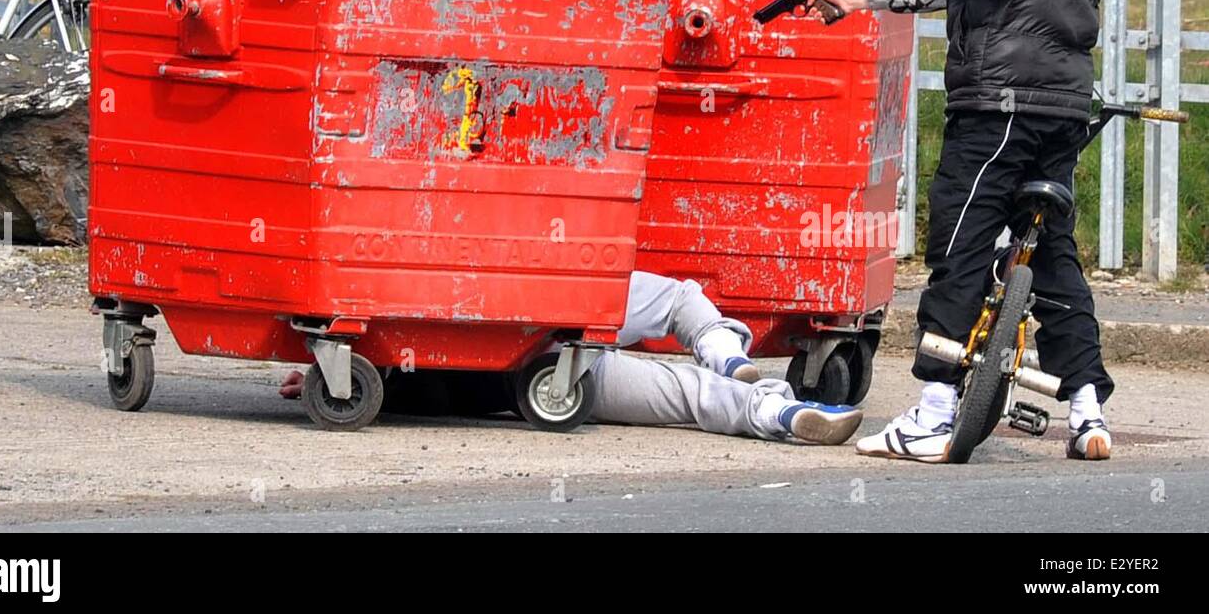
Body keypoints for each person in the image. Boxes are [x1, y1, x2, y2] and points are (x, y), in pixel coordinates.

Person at [807, 0, 1113, 463]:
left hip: (1003, 99)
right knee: (1054, 256)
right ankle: (1089, 412)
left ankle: (935, 410)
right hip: (1061, 101)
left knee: (961, 241)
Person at [280, 270, 864, 446]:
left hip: (555, 326)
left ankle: (733, 364)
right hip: (560, 359)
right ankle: (773, 406)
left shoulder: (386, 336)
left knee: (687, 368)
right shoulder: (397, 356)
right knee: (687, 383)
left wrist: (341, 374)